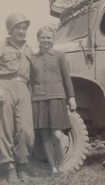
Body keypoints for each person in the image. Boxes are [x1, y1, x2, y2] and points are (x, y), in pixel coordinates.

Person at [0, 13, 34, 185]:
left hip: (23, 88)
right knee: (5, 129)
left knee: (26, 130)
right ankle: (10, 169)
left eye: (24, 28)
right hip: (4, 87)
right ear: (10, 30)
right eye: (18, 28)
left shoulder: (29, 49)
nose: (22, 31)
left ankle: (22, 168)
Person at [30, 26, 77, 174]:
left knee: (57, 135)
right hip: (39, 100)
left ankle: (62, 167)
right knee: (45, 136)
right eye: (43, 37)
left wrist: (72, 97)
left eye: (48, 37)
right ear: (38, 39)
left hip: (56, 98)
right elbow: (31, 82)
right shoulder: (32, 59)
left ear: (53, 39)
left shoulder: (59, 55)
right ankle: (53, 169)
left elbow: (66, 78)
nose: (46, 40)